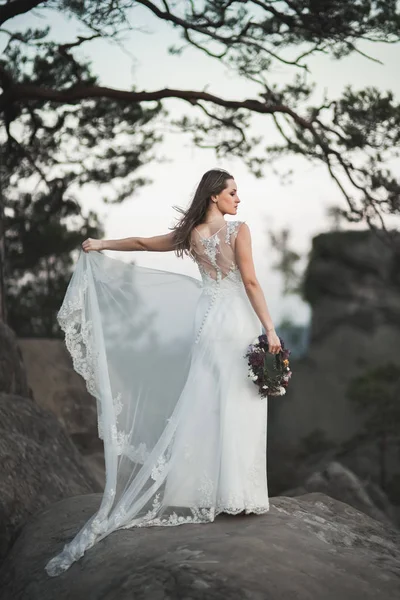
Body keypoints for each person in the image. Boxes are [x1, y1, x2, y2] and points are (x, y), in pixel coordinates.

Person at [45, 168, 281, 577]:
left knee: (205, 400)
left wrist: (101, 243)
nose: (238, 200)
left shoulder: (192, 235)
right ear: (214, 197)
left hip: (205, 325)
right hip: (237, 322)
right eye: (232, 192)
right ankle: (239, 494)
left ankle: (191, 488)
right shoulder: (238, 230)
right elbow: (251, 281)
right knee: (239, 400)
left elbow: (142, 243)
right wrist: (270, 329)